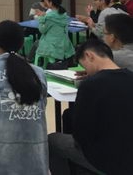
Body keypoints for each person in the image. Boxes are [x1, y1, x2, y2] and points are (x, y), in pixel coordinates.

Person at [0, 20, 49, 175]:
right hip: (37, 154)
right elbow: (43, 106)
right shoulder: (39, 72)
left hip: (2, 154)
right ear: (22, 44)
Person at [48, 39, 133, 175]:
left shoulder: (90, 85)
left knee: (52, 141)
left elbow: (80, 135)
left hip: (108, 161)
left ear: (89, 55)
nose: (85, 71)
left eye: (84, 66)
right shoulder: (130, 77)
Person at [33, 0, 75, 65]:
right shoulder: (63, 14)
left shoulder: (50, 16)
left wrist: (41, 18)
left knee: (37, 43)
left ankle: (33, 62)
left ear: (51, 3)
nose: (45, 3)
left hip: (52, 45)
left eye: (47, 1)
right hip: (64, 43)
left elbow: (42, 30)